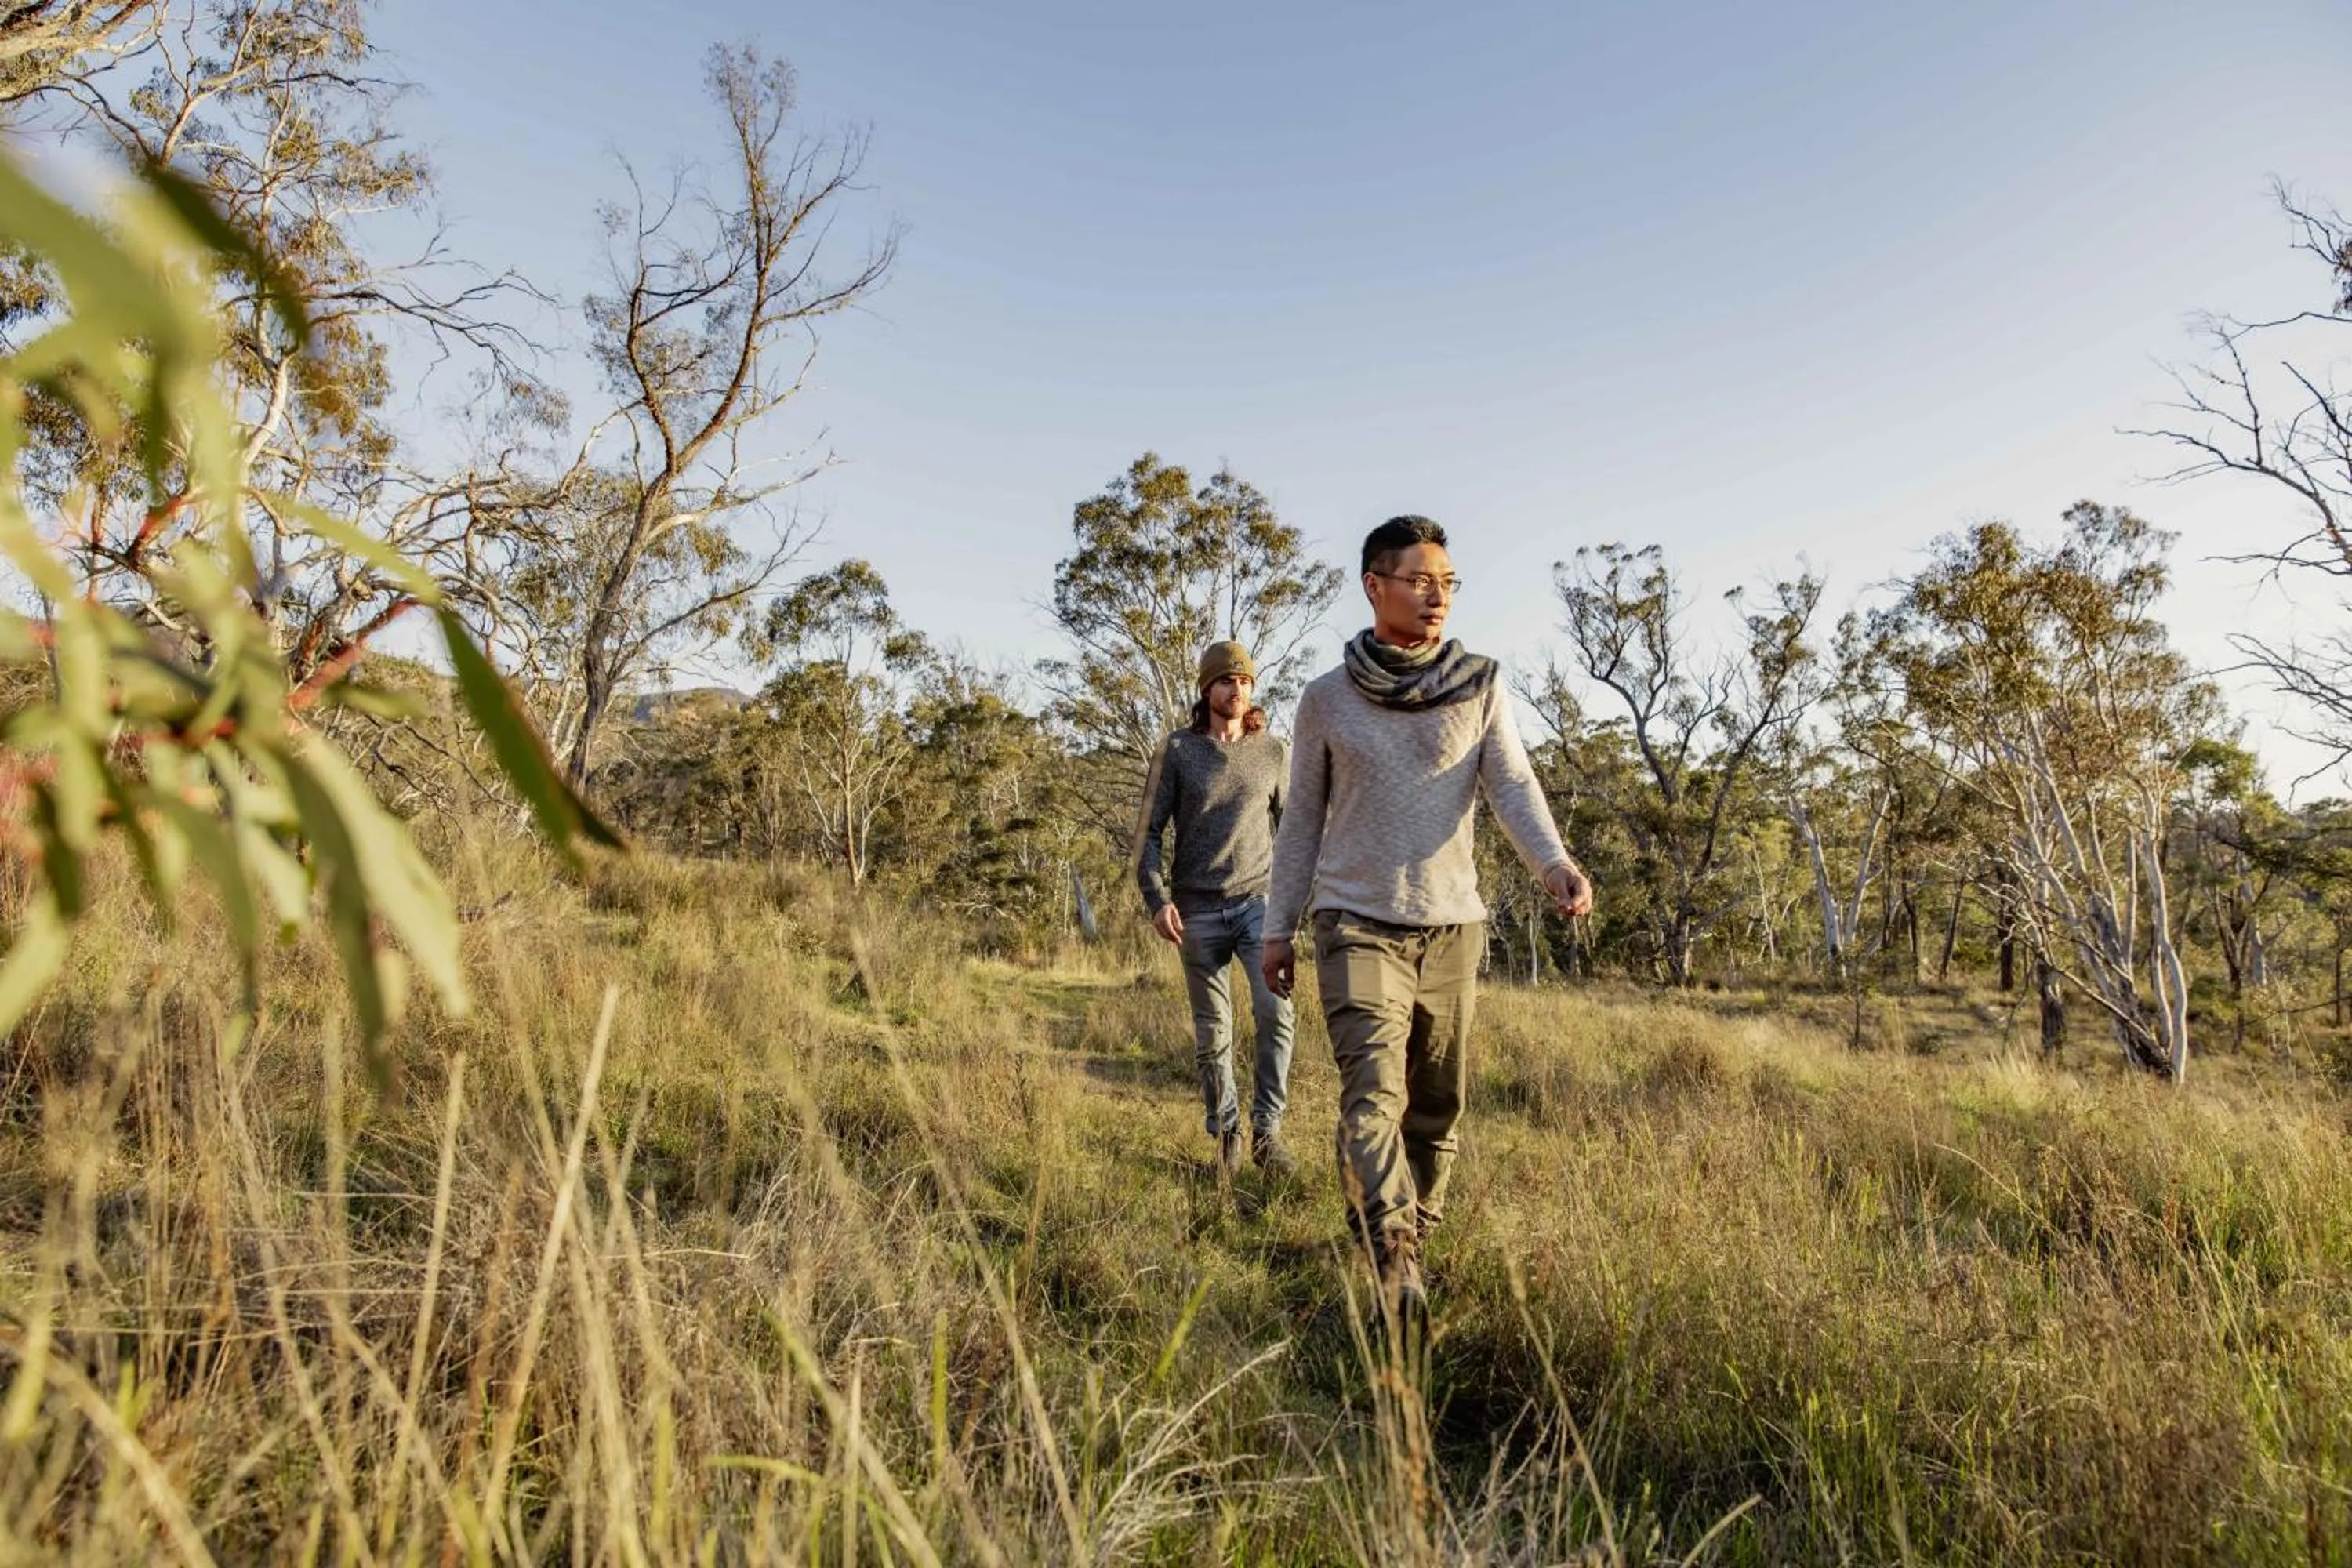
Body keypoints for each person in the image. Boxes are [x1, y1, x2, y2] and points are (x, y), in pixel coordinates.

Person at [1262, 517, 1593, 1317]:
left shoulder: (1479, 683)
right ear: (1375, 585)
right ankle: (1393, 1252)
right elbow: (1301, 817)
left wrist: (1555, 863)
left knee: (1437, 1102)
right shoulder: (1327, 700)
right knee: (1372, 1092)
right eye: (1419, 578)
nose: (1436, 593)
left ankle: (1415, 1234)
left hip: (1452, 925)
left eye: (1447, 580)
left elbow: (1511, 784)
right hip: (1356, 919)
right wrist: (1279, 925)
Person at [1134, 641, 1299, 1179]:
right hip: (1196, 911)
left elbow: (1294, 831)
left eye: (1246, 681)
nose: (1238, 690)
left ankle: (1267, 1133)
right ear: (1207, 689)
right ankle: (1226, 1134)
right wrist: (1158, 901)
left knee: (1276, 1012)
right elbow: (1148, 836)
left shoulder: (1273, 751)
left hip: (1260, 904)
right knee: (1214, 1033)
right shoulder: (1177, 751)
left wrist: (1297, 905)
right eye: (1227, 681)